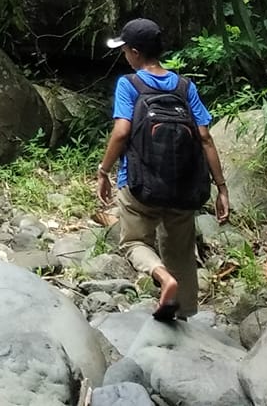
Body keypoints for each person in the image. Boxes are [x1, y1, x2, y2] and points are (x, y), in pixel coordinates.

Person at [95, 17, 232, 322]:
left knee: (133, 242)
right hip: (183, 186)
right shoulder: (184, 87)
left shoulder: (129, 85)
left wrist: (104, 172)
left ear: (133, 52)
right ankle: (182, 315)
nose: (124, 56)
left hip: (140, 185)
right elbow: (205, 138)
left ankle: (163, 278)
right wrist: (221, 188)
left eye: (124, 50)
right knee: (181, 250)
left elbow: (121, 132)